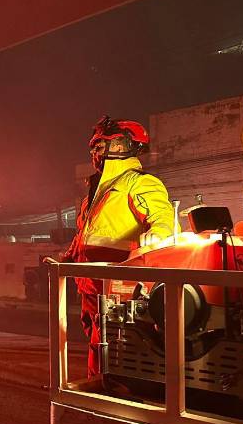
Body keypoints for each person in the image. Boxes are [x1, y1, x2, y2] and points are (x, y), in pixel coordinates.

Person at [62, 116, 174, 376]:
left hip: (116, 284)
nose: (94, 152)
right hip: (89, 282)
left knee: (110, 340)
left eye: (100, 145)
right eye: (94, 147)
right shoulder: (97, 190)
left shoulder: (140, 182)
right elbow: (86, 234)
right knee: (95, 336)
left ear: (121, 146)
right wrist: (67, 257)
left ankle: (107, 389)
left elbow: (161, 216)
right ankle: (100, 385)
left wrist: (158, 233)